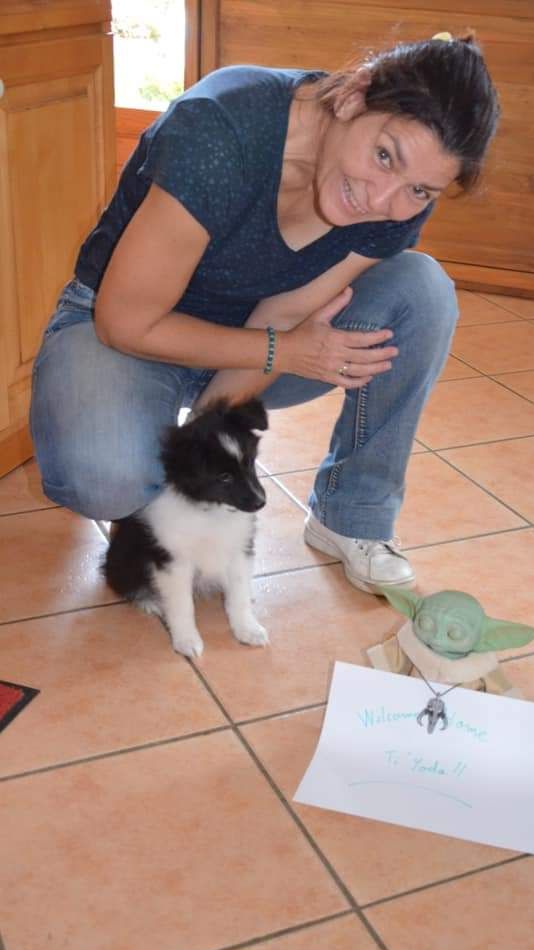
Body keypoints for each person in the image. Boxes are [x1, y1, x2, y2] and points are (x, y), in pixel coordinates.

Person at [30, 32, 499, 595]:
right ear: (354, 95)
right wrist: (282, 352)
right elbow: (125, 322)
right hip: (121, 332)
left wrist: (204, 464)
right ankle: (140, 480)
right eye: (383, 156)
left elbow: (284, 312)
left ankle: (352, 516)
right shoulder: (224, 127)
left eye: (420, 190)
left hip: (257, 340)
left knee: (422, 290)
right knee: (106, 478)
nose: (382, 200)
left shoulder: (396, 204)